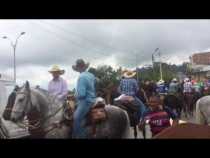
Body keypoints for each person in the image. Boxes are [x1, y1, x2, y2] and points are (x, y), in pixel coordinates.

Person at [72, 59, 96, 138]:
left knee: (76, 118)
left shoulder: (81, 77)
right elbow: (96, 83)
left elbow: (82, 94)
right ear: (85, 67)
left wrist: (74, 96)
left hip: (85, 101)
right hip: (93, 99)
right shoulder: (91, 75)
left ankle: (81, 136)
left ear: (78, 68)